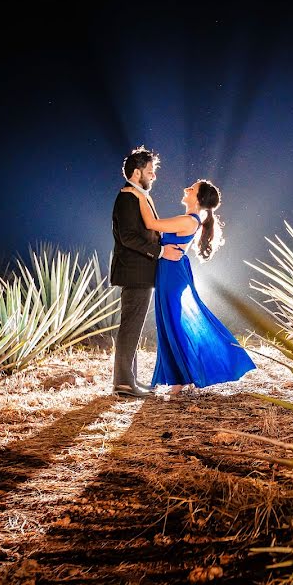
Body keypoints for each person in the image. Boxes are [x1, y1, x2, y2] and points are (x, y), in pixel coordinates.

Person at [121, 179, 255, 395]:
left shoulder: (188, 220)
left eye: (191, 189)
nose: (186, 189)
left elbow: (151, 224)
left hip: (172, 273)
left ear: (198, 198)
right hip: (169, 271)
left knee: (173, 322)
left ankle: (183, 377)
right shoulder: (189, 220)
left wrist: (140, 195)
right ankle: (180, 378)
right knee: (170, 322)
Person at [109, 146, 184, 398]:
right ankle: (123, 383)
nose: (153, 176)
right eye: (150, 172)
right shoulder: (127, 197)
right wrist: (161, 253)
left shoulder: (137, 196)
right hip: (134, 272)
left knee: (134, 325)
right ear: (137, 171)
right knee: (131, 326)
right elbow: (128, 237)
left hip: (141, 272)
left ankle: (129, 380)